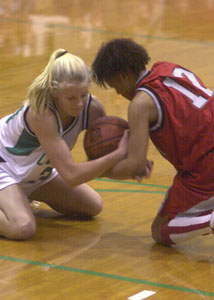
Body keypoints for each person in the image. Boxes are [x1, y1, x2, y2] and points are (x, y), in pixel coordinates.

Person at [91, 38, 214, 247]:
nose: (119, 93)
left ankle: (210, 221)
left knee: (160, 231)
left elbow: (135, 166)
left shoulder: (141, 104)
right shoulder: (168, 67)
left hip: (206, 162)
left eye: (115, 86)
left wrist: (95, 170)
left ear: (122, 76)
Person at [0, 49, 128, 240]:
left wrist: (130, 159)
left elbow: (101, 162)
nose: (79, 104)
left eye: (84, 95)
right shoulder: (42, 114)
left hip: (33, 172)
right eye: (70, 98)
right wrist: (118, 155)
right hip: (4, 166)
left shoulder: (92, 108)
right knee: (23, 227)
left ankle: (20, 197)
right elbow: (71, 175)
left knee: (92, 206)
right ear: (54, 92)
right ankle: (15, 200)